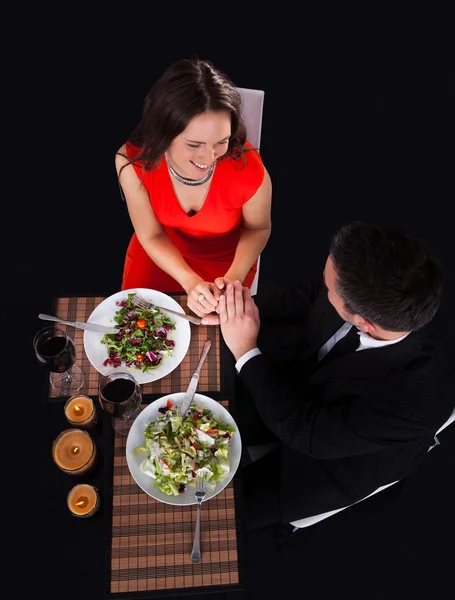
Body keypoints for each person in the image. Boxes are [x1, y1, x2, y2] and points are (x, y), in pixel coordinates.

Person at [202, 221, 455, 531]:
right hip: (294, 380)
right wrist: (237, 306)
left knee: (211, 513)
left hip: (327, 458)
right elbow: (310, 295)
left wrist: (246, 352)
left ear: (365, 324)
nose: (323, 283)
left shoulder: (421, 401)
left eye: (329, 285)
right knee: (199, 417)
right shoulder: (382, 286)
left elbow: (309, 435)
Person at [116, 58, 272, 318]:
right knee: (135, 326)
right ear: (164, 131)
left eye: (220, 142)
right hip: (160, 250)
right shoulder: (132, 162)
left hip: (229, 264)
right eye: (194, 144)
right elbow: (151, 235)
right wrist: (189, 280)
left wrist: (233, 279)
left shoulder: (249, 168)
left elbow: (259, 227)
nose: (209, 157)